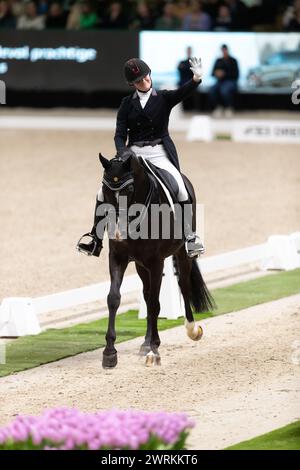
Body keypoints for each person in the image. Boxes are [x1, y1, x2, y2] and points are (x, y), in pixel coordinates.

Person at [77, 57, 205, 258]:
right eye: (138, 81)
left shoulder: (163, 98)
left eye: (145, 78)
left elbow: (183, 92)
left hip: (159, 152)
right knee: (102, 191)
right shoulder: (127, 104)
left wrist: (196, 78)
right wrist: (123, 152)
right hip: (133, 154)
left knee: (180, 188)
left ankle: (190, 237)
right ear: (132, 84)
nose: (144, 83)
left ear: (150, 75)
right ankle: (95, 238)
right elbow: (119, 134)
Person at [209, 44, 239, 118]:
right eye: (223, 50)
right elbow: (212, 73)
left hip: (231, 81)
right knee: (212, 89)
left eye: (225, 50)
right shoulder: (218, 61)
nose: (224, 52)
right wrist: (217, 73)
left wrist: (224, 74)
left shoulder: (233, 61)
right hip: (220, 82)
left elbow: (236, 74)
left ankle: (228, 108)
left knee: (225, 90)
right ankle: (218, 107)